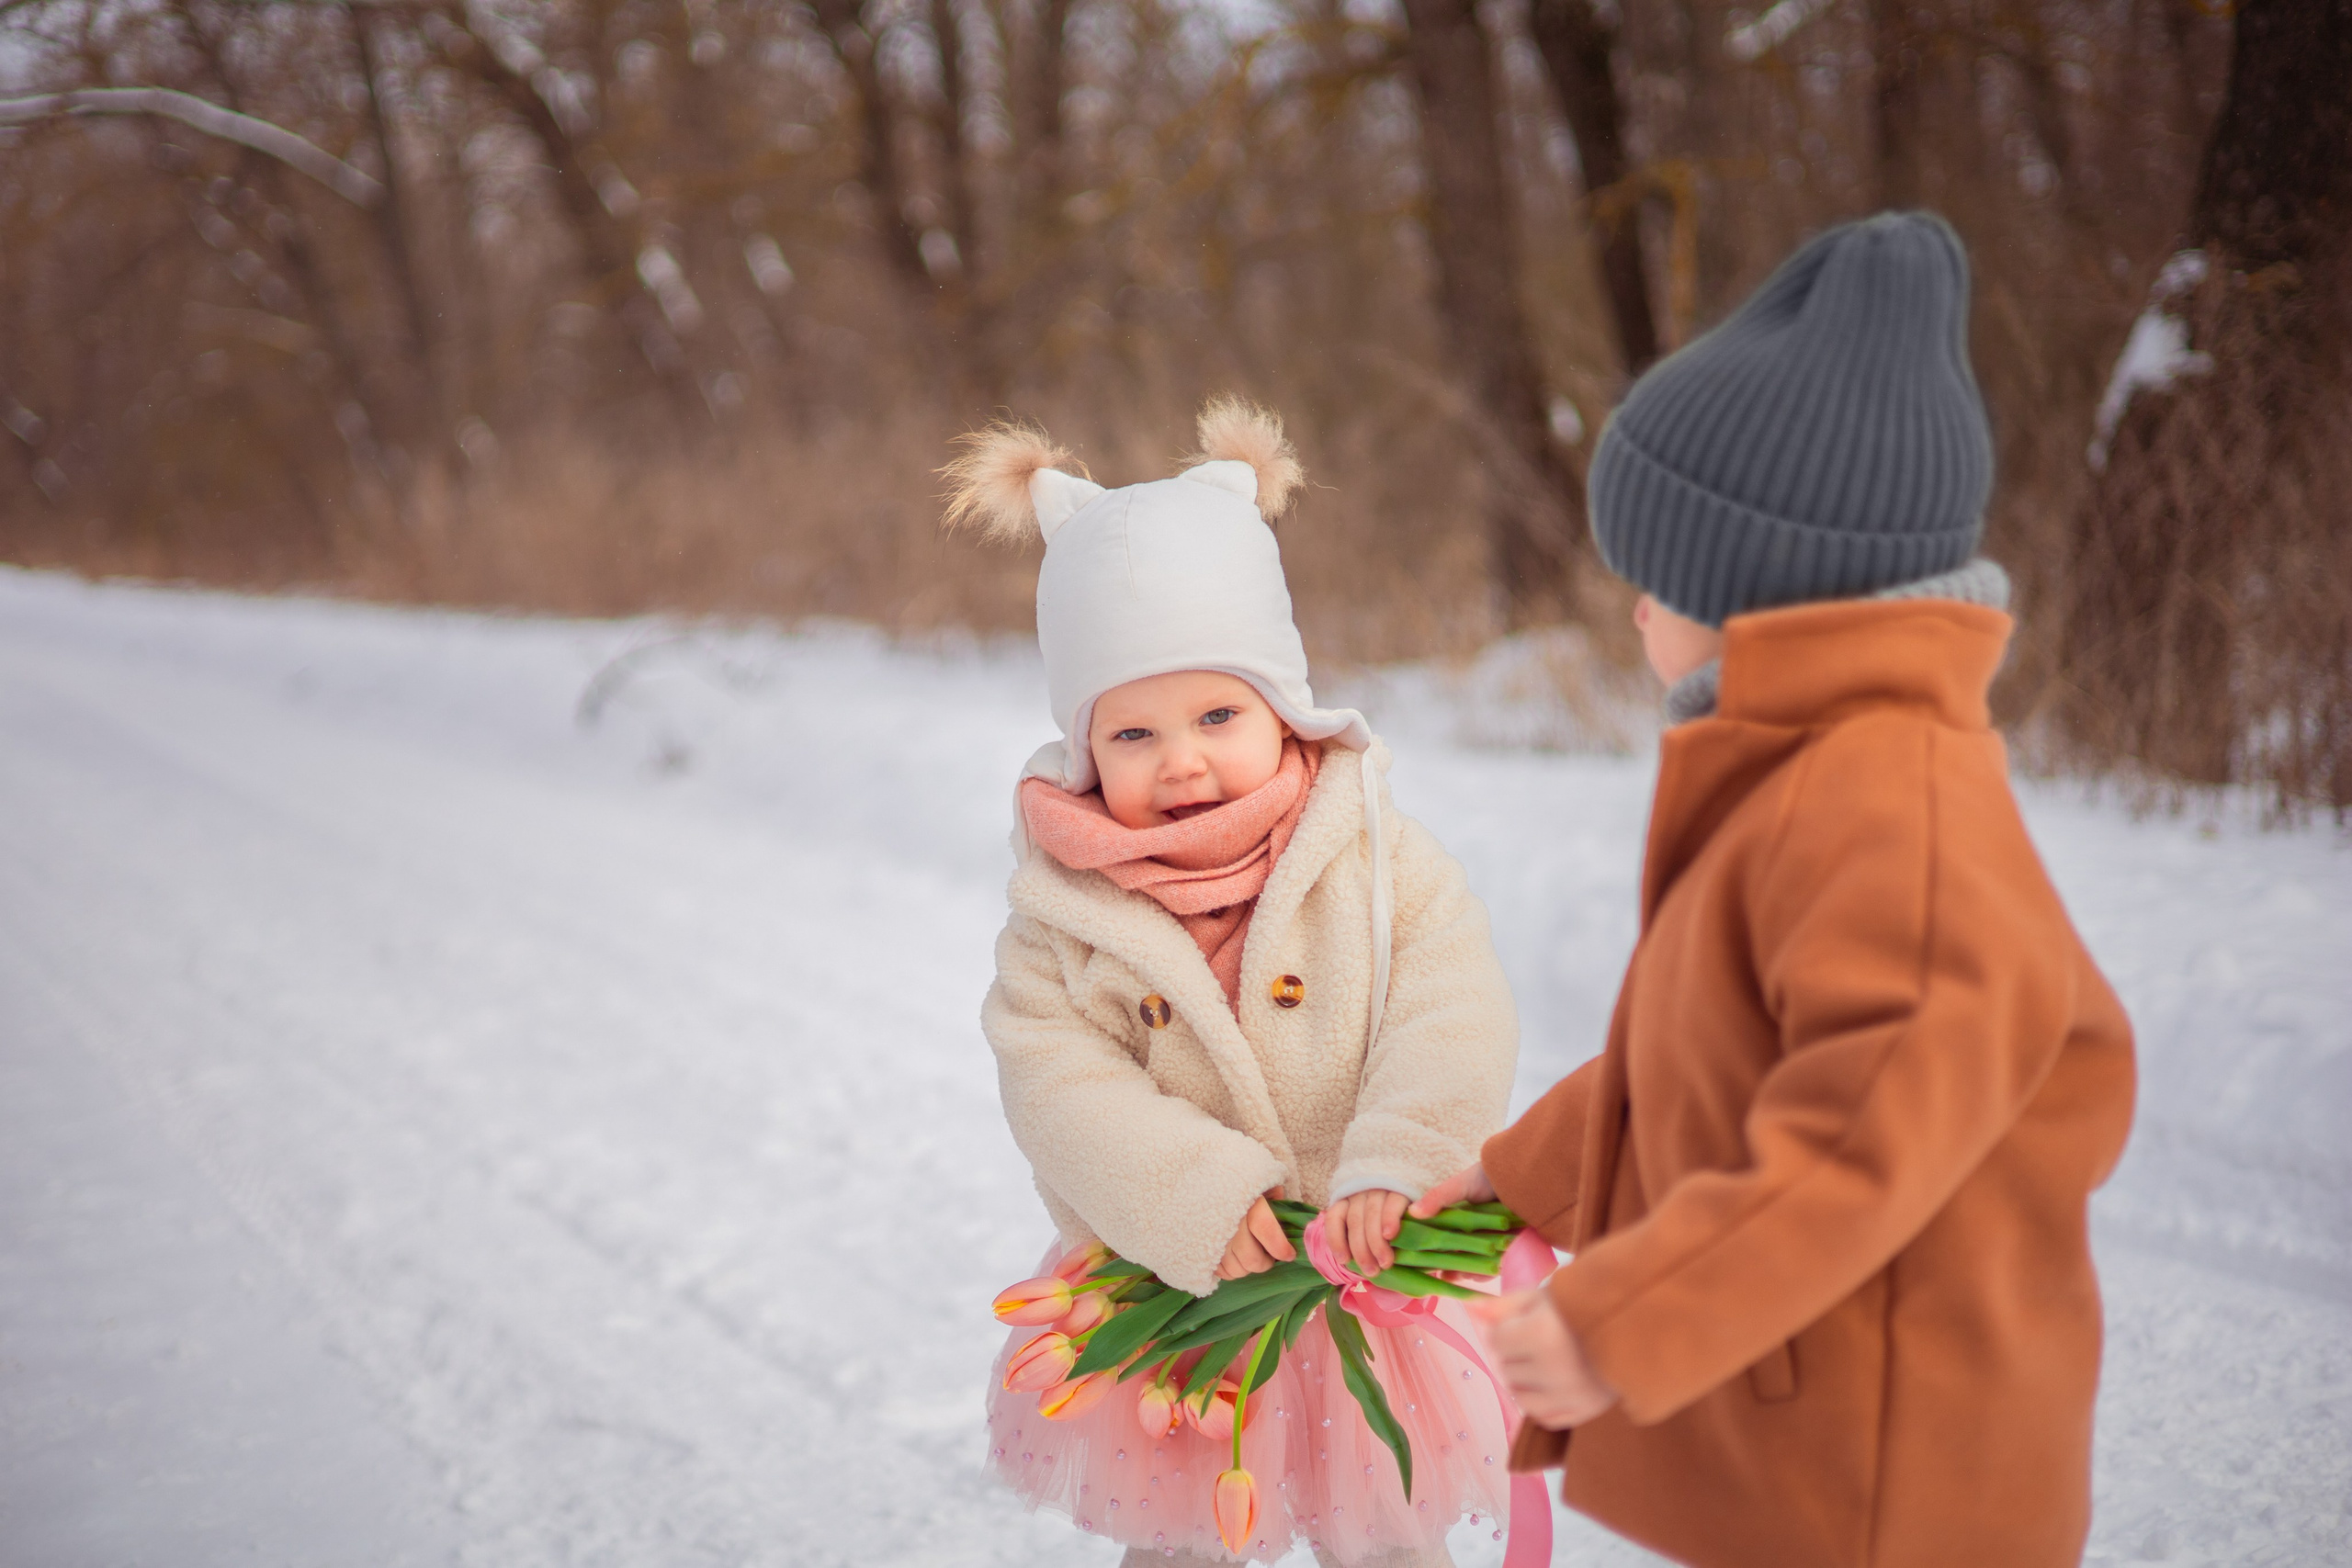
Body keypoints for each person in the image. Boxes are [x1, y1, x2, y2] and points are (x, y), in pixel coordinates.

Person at [1419, 212, 2138, 1568]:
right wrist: (1521, 1176)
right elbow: (1716, 1052)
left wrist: (1621, 1315)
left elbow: (1863, 1125)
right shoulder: (1804, 770)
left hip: (1895, 1479)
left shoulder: (1890, 803)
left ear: (1766, 589)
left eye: (1661, 578)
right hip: (1819, 1436)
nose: (1635, 608)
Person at [954, 399, 1523, 1566]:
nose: (1184, 761)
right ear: (1083, 749)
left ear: (1283, 709)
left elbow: (1450, 1008)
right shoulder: (1066, 911)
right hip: (1184, 1282)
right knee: (1186, 1535)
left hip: (1365, 1274)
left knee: (1388, 1528)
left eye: (1218, 713)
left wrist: (1397, 1158)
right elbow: (1054, 1083)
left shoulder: (1371, 859)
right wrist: (1192, 1198)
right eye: (1133, 735)